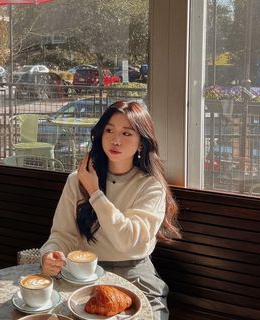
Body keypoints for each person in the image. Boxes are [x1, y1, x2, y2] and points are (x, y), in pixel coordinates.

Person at [40, 100, 181, 320]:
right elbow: (62, 234)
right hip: (83, 276)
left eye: (127, 133)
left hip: (135, 277)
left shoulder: (151, 186)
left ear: (141, 143)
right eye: (109, 130)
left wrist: (95, 193)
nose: (115, 140)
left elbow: (128, 241)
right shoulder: (78, 180)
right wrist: (50, 255)